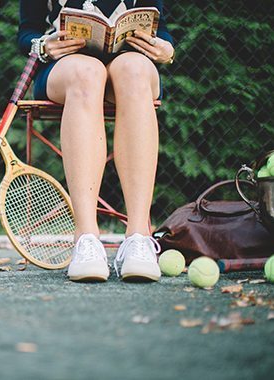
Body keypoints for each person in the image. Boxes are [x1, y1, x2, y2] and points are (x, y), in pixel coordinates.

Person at [18, 0, 175, 282]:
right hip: (66, 68)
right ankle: (86, 239)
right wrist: (43, 46)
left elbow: (161, 30)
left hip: (131, 66)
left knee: (134, 70)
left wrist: (165, 48)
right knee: (87, 73)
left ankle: (139, 238)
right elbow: (26, 32)